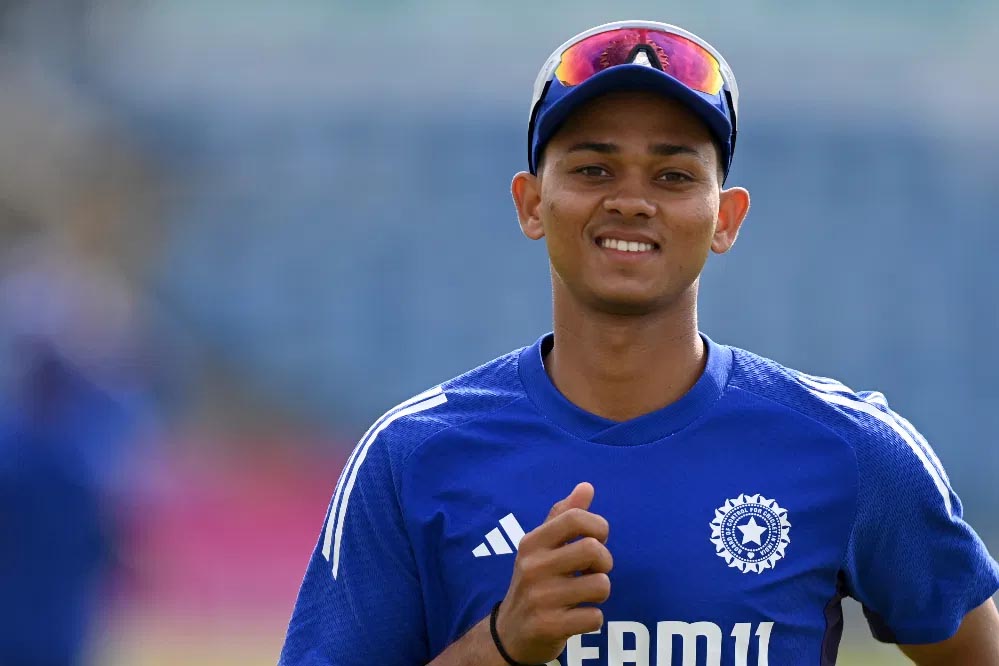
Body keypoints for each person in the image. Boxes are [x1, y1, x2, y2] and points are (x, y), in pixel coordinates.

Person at [278, 20, 999, 665]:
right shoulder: (412, 455)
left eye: (673, 175)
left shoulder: (852, 450)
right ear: (530, 203)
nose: (630, 200)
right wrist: (501, 644)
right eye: (592, 169)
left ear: (725, 219)